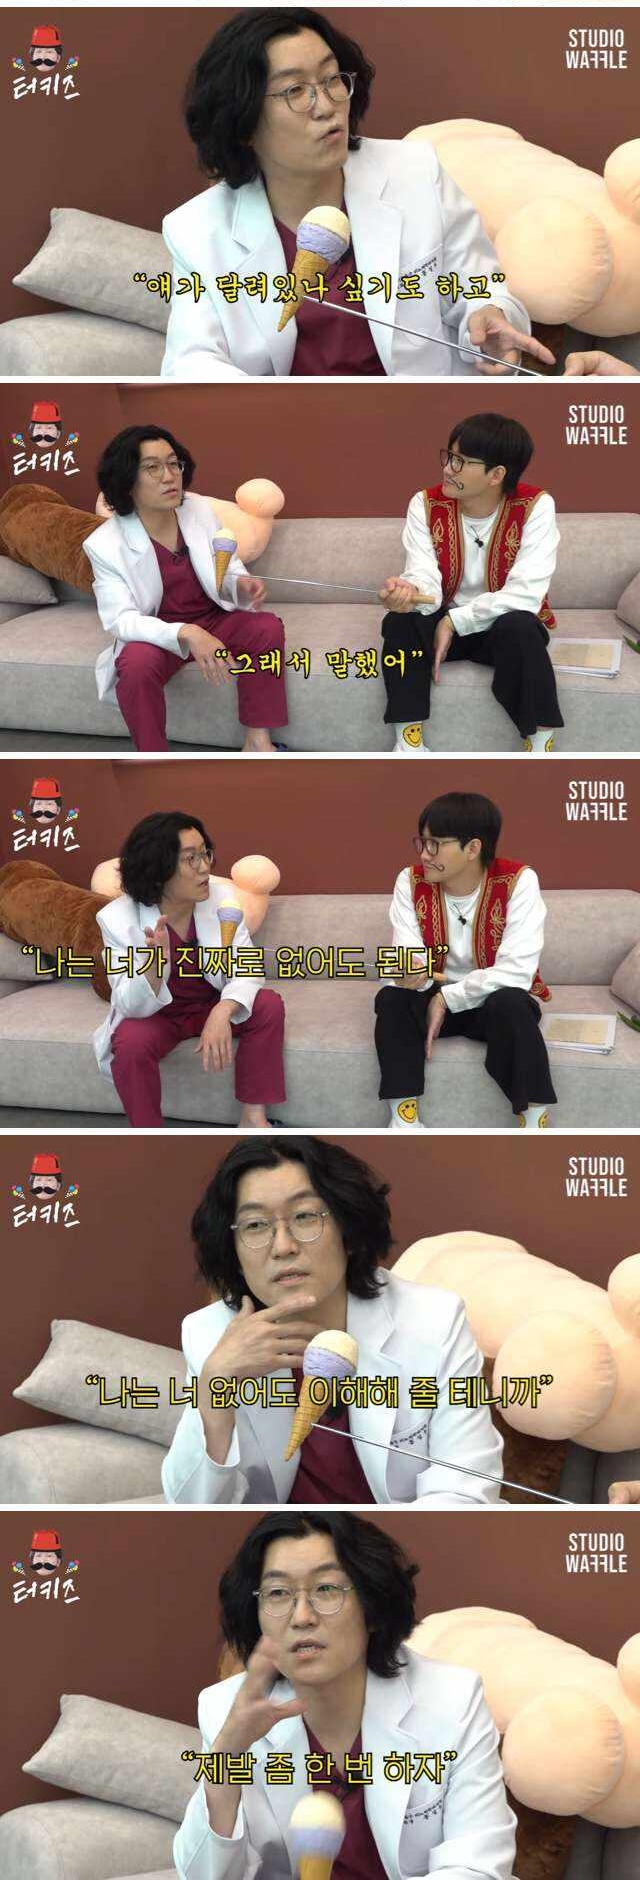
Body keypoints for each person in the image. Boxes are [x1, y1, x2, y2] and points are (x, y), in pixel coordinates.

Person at [160, 8, 555, 383]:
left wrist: (492, 316)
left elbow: (480, 289)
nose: (327, 106)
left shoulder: (415, 172)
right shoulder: (196, 231)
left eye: (332, 79)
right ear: (242, 121)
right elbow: (191, 361)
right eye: (295, 90)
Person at [173, 1511, 517, 1880]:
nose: (301, 1617)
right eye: (278, 1593)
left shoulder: (454, 1701)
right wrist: (226, 1757)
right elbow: (203, 1876)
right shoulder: (224, 1710)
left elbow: (477, 1867)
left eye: (326, 1589)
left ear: (373, 1608)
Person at [162, 1136, 503, 1508]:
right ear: (235, 1253)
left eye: (305, 1216)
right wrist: (214, 1390)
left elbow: (466, 1490)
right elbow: (191, 1506)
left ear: (349, 1231)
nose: (283, 1246)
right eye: (255, 1225)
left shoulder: (434, 1321)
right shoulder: (209, 1335)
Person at [83, 425, 288, 752]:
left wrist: (240, 584)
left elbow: (227, 566)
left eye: (173, 463)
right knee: (135, 666)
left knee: (266, 627)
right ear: (126, 481)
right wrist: (188, 632)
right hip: (161, 634)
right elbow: (120, 620)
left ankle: (257, 741)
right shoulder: (104, 545)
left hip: (214, 618)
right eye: (152, 467)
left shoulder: (199, 510)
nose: (169, 476)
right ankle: (154, 757)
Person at [379, 413, 564, 755]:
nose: (447, 468)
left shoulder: (535, 506)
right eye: (449, 456)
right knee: (399, 622)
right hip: (442, 621)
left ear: (496, 475)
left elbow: (525, 594)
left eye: (460, 462)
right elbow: (423, 573)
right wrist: (409, 594)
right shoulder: (425, 503)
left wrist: (455, 621)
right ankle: (408, 745)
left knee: (522, 628)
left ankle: (540, 748)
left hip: (499, 626)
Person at [374, 791, 557, 1132]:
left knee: (513, 1004)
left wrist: (448, 998)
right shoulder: (409, 881)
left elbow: (516, 971)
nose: (424, 854)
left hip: (491, 1002)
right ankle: (403, 1120)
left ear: (472, 848)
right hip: (431, 995)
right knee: (392, 999)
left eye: (435, 845)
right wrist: (409, 973)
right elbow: (407, 952)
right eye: (422, 843)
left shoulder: (518, 881)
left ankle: (534, 1122)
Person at [92, 811, 286, 1129]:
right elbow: (128, 1004)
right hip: (160, 1016)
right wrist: (154, 966)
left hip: (209, 1004)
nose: (205, 867)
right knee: (130, 1041)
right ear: (158, 870)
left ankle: (253, 1118)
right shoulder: (116, 919)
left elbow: (247, 968)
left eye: (205, 854)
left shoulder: (223, 899)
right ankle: (148, 1133)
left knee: (268, 1005)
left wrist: (223, 1010)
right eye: (191, 858)